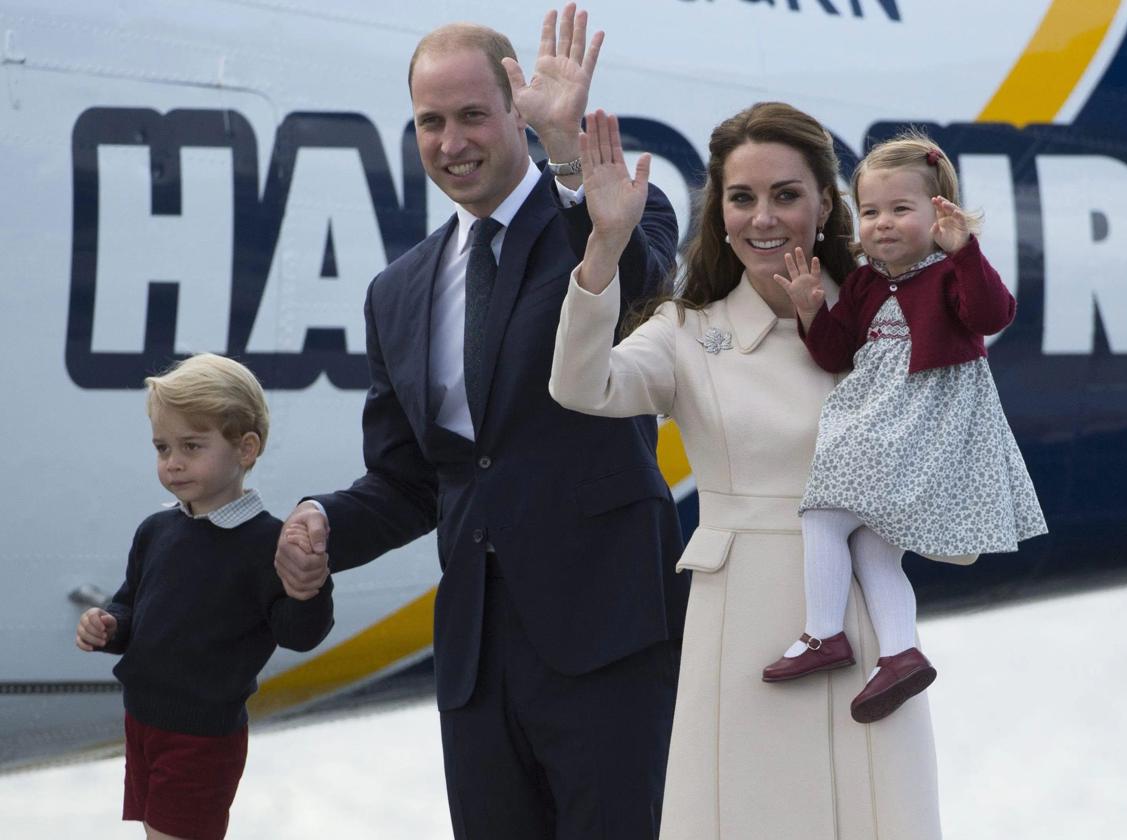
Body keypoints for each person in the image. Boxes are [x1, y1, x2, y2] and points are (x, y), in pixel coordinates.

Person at [272, 6, 688, 838]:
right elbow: (406, 482)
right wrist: (321, 523)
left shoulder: (611, 211)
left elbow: (638, 287)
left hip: (607, 634)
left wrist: (569, 158)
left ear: (517, 114)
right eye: (431, 121)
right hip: (474, 655)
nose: (450, 141)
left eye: (472, 116)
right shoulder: (398, 290)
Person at [550, 103, 942, 838]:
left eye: (786, 195)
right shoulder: (687, 332)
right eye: (741, 197)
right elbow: (582, 386)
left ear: (826, 205)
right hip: (743, 634)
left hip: (865, 632)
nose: (763, 219)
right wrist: (604, 246)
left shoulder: (891, 316)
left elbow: (946, 444)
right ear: (717, 211)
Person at [762, 132, 1047, 722]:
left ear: (939, 214)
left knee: (823, 511)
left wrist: (964, 252)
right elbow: (836, 353)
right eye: (870, 212)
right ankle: (900, 653)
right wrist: (811, 309)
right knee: (871, 544)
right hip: (882, 416)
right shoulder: (866, 283)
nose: (883, 224)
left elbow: (993, 314)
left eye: (900, 209)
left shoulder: (949, 274)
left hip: (921, 422)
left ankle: (824, 635)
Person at [74, 353, 333, 840]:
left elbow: (300, 634)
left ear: (246, 448)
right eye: (162, 447)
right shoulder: (156, 530)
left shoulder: (268, 544)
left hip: (202, 737)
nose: (172, 462)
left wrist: (310, 585)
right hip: (143, 722)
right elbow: (132, 606)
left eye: (192, 446)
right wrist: (108, 624)